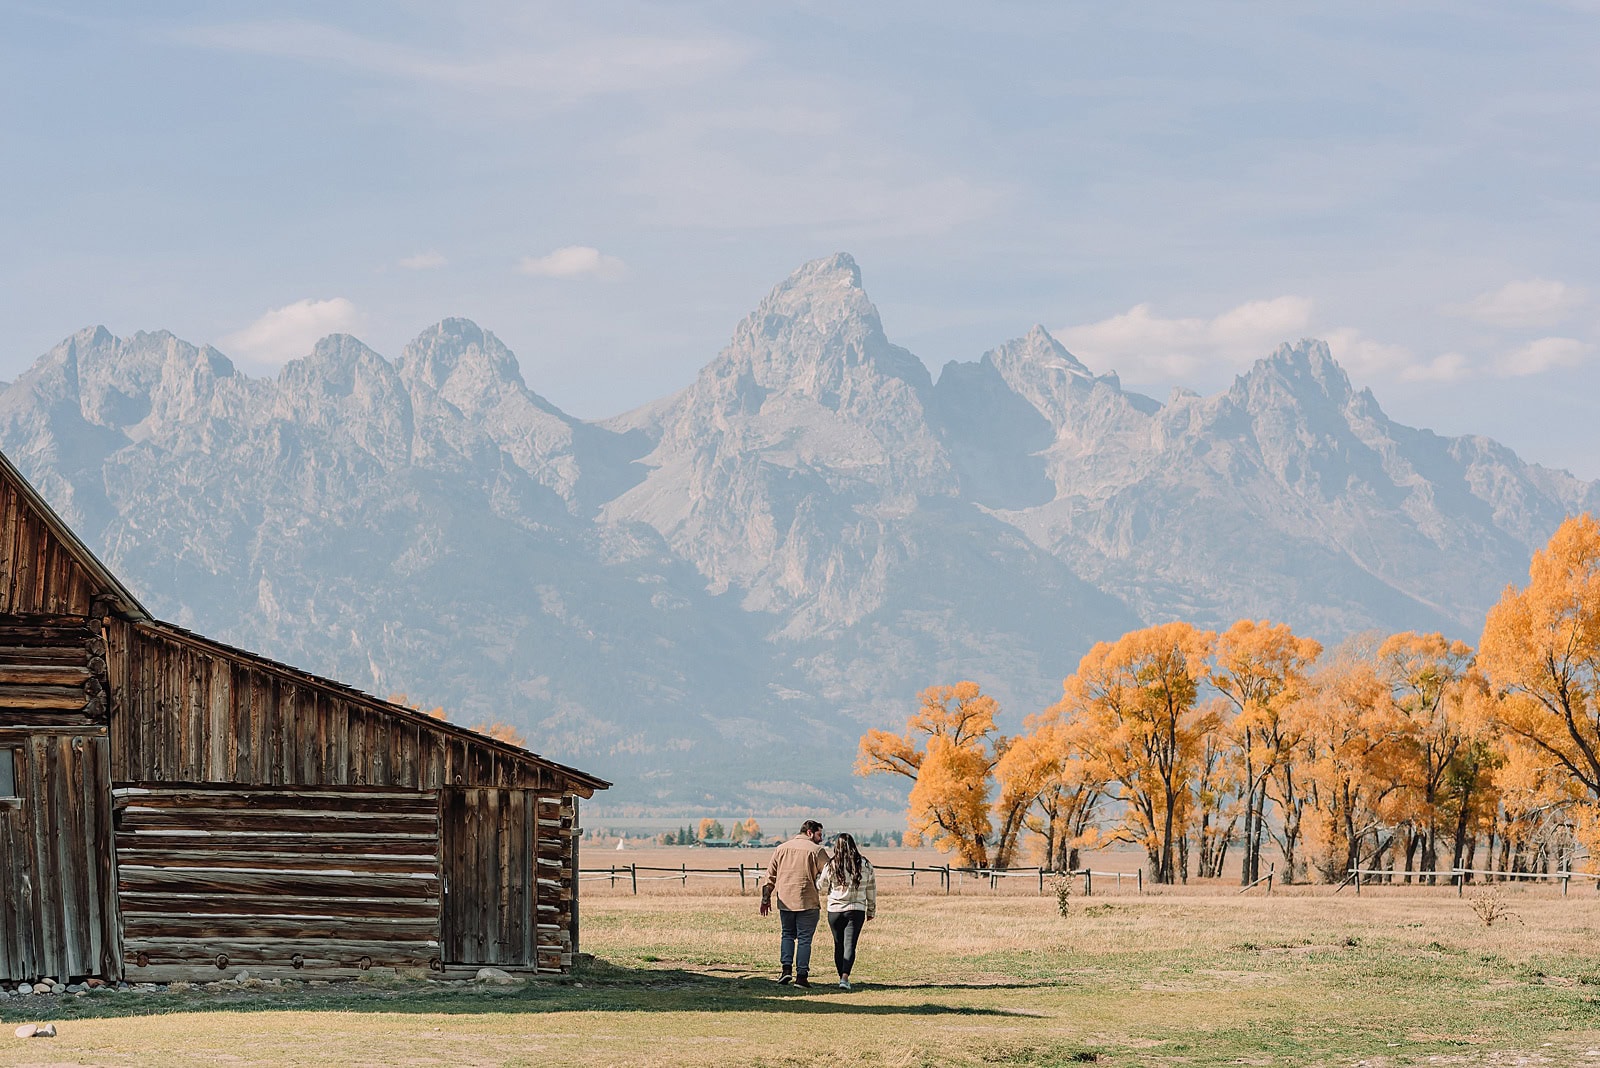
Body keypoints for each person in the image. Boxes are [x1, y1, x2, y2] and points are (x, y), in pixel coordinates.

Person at [759, 819, 827, 987]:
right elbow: (829, 873)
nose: (821, 839)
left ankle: (786, 970)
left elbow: (770, 876)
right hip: (808, 901)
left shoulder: (781, 849)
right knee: (804, 939)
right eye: (819, 834)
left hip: (785, 900)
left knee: (787, 935)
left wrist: (765, 898)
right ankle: (802, 976)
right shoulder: (817, 851)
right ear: (810, 832)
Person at [816, 832, 876, 991]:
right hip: (856, 910)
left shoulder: (831, 865)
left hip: (834, 910)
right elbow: (871, 889)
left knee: (838, 944)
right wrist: (871, 909)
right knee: (850, 945)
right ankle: (845, 977)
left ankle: (840, 976)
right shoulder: (865, 865)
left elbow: (820, 886)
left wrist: (816, 878)